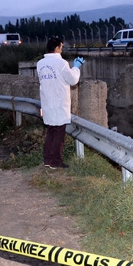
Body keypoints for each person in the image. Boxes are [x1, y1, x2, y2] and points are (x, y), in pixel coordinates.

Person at [37, 37, 85, 169]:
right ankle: (56, 162)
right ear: (57, 48)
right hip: (59, 104)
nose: (62, 49)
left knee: (50, 132)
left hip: (47, 103)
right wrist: (76, 67)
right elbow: (73, 80)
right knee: (59, 134)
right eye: (61, 47)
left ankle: (47, 160)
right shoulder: (62, 63)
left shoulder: (40, 64)